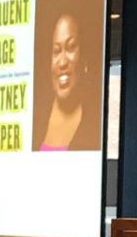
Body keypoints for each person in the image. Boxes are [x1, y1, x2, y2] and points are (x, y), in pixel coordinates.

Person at [37, 13, 99, 151]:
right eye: (56, 51)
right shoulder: (36, 116)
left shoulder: (94, 120)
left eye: (71, 48)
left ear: (84, 57)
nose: (63, 62)